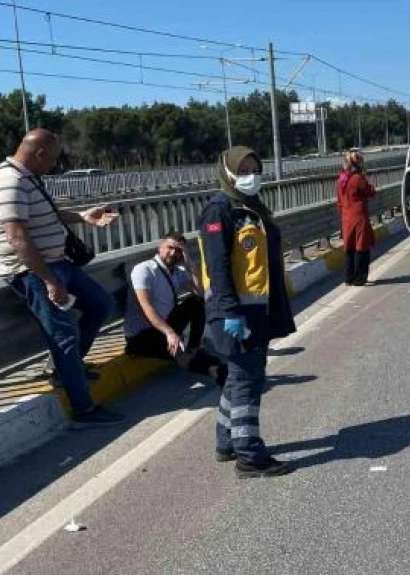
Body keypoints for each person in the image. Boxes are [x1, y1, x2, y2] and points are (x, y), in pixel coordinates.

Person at [0, 129, 123, 428]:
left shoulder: (26, 177)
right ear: (39, 153)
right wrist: (47, 280)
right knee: (64, 336)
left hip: (58, 264)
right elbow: (17, 237)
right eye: (53, 158)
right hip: (33, 273)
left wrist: (83, 216)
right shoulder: (9, 182)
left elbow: (48, 213)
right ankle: (83, 409)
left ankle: (68, 370)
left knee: (101, 304)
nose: (54, 165)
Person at [198, 146, 297, 478]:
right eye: (243, 170)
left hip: (256, 311)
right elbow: (219, 266)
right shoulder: (219, 211)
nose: (250, 176)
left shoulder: (250, 208)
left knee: (240, 378)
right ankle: (249, 456)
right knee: (247, 382)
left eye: (255, 168)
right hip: (235, 312)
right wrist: (229, 312)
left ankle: (226, 442)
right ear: (227, 173)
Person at [123, 231, 217, 374]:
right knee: (179, 354)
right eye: (170, 248)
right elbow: (147, 307)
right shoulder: (144, 269)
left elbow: (200, 292)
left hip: (163, 326)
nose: (173, 253)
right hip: (142, 335)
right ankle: (211, 370)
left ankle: (193, 349)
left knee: (196, 302)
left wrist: (189, 261)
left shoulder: (177, 271)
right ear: (160, 247)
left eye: (178, 250)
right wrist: (170, 332)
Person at [336, 149, 377, 286]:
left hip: (346, 216)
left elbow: (339, 201)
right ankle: (360, 278)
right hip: (359, 216)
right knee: (361, 247)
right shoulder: (358, 178)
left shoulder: (341, 179)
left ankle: (349, 278)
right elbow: (370, 192)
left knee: (349, 247)